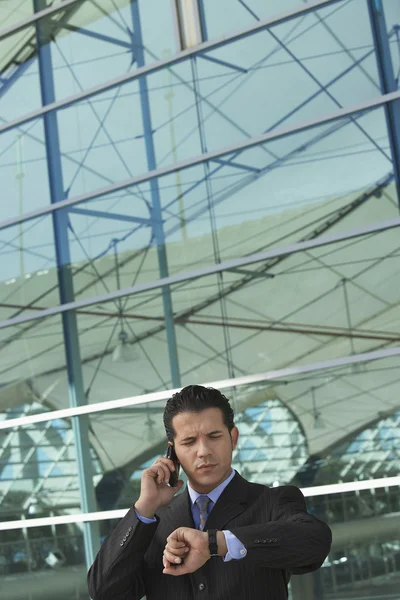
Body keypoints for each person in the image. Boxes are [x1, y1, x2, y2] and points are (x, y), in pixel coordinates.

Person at [87, 385, 332, 599]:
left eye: (214, 436)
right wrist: (144, 507)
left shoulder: (271, 501)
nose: (203, 451)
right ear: (172, 452)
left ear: (233, 438)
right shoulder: (154, 522)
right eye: (189, 442)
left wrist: (216, 543)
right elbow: (104, 592)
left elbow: (314, 542)